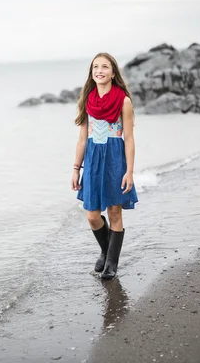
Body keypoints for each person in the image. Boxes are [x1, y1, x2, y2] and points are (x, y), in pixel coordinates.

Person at [71, 52, 138, 280]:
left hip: (114, 159)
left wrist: (129, 171)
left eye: (105, 67)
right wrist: (75, 169)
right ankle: (105, 249)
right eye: (95, 67)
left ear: (113, 72)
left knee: (114, 212)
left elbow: (128, 138)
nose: (99, 71)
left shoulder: (124, 101)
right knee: (92, 215)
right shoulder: (87, 100)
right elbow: (82, 139)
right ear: (92, 73)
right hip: (92, 161)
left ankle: (111, 263)